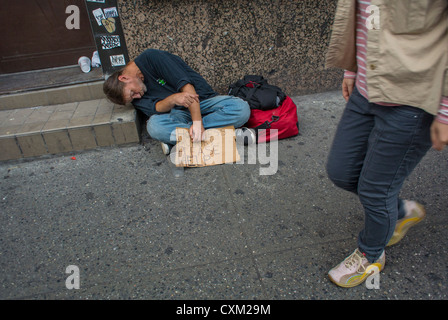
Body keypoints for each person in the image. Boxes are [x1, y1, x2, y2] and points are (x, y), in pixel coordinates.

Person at [325, 0, 448, 288]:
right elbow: (363, 13)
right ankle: (400, 211)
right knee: (341, 171)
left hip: (412, 100)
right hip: (367, 88)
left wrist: (445, 110)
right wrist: (351, 68)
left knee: (374, 189)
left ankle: (371, 254)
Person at [103, 49, 251, 153]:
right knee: (154, 126)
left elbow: (187, 87)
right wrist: (173, 99)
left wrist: (198, 123)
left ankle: (184, 140)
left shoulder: (151, 57)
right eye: (132, 99)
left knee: (241, 108)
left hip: (203, 101)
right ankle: (226, 135)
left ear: (124, 78)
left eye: (132, 93)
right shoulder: (137, 98)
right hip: (178, 114)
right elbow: (157, 108)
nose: (137, 97)